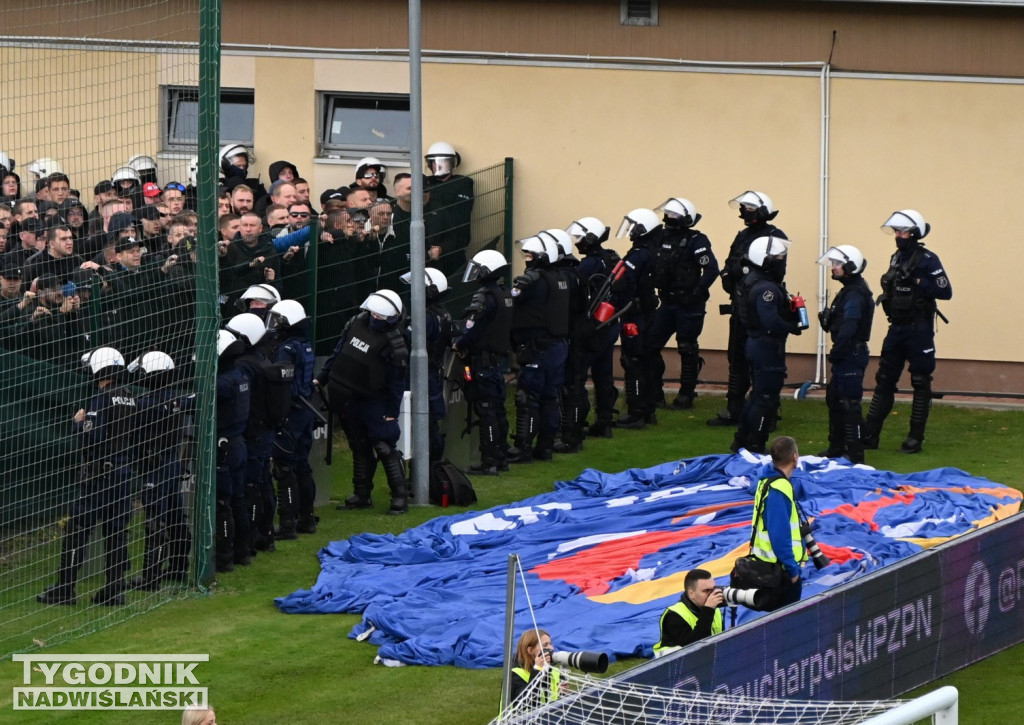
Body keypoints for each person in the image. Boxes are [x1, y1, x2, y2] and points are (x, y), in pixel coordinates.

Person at [37, 347, 138, 606]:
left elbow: (91, 438)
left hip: (99, 475)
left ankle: (65, 589)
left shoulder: (101, 399)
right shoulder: (129, 396)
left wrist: (78, 423)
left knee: (77, 528)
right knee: (116, 530)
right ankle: (115, 590)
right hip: (124, 473)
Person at [862, 210, 953, 454]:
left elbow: (945, 291)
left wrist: (919, 282)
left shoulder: (928, 259)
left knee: (921, 382)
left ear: (914, 233)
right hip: (897, 327)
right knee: (884, 380)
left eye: (903, 232)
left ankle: (915, 438)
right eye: (896, 231)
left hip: (919, 328)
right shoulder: (896, 258)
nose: (899, 236)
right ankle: (870, 434)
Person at [316, 289, 410, 514]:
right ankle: (361, 494)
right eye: (373, 314)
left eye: (380, 316)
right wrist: (321, 378)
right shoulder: (356, 322)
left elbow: (397, 381)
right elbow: (338, 353)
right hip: (351, 397)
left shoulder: (395, 342)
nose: (375, 318)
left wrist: (391, 412)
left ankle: (399, 497)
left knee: (385, 447)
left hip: (376, 401)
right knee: (359, 447)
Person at [709, 191, 787, 427]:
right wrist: (728, 276)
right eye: (743, 208)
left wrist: (744, 274)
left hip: (763, 305)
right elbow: (729, 265)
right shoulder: (742, 236)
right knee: (737, 357)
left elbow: (776, 272)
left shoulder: (775, 236)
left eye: (750, 208)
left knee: (765, 360)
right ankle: (735, 409)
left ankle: (769, 411)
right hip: (740, 304)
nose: (744, 212)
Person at [731, 235, 803, 454]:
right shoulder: (765, 289)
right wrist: (792, 325)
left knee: (757, 395)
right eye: (779, 257)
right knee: (766, 399)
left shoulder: (752, 279)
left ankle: (742, 440)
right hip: (765, 346)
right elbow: (770, 321)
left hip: (757, 343)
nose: (782, 261)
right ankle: (755, 443)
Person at [646, 198, 719, 410]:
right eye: (667, 214)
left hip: (689, 304)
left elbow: (711, 269)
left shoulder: (696, 240)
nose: (669, 218)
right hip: (667, 301)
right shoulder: (659, 237)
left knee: (687, 348)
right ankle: (656, 393)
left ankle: (686, 395)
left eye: (674, 215)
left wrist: (697, 291)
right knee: (650, 345)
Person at [127, 351, 190, 591]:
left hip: (155, 465)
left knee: (156, 519)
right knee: (174, 514)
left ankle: (151, 576)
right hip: (171, 462)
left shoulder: (146, 404)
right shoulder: (174, 399)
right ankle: (178, 566)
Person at [509, 233, 569, 463]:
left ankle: (523, 447)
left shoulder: (532, 281)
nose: (526, 259)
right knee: (550, 397)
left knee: (529, 397)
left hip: (538, 347)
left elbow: (513, 299)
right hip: (558, 346)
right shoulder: (561, 278)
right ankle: (545, 447)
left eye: (529, 255)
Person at [453, 250, 514, 475]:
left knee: (486, 410)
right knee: (498, 410)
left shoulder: (484, 297)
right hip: (497, 361)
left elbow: (473, 328)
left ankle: (489, 461)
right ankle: (501, 456)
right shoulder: (505, 294)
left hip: (483, 361)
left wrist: (459, 344)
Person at [816, 245, 874, 464]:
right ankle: (836, 447)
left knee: (849, 404)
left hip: (850, 353)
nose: (834, 268)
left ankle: (856, 452)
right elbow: (841, 322)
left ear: (850, 266)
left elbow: (850, 325)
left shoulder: (855, 294)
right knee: (835, 400)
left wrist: (837, 349)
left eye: (838, 264)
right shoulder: (848, 291)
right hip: (846, 353)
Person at [268, 299, 319, 538]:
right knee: (302, 466)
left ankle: (288, 524)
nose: (275, 324)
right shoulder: (305, 345)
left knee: (285, 468)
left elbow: (281, 383)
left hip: (292, 413)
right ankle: (307, 519)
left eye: (279, 319)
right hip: (305, 412)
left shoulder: (286, 349)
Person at [567, 217, 620, 439]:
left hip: (589, 327)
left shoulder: (589, 264)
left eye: (579, 237)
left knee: (577, 376)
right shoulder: (611, 258)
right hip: (608, 324)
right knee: (603, 375)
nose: (577, 242)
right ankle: (604, 421)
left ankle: (576, 424)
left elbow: (576, 294)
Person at [611, 208, 660, 429]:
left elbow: (623, 283)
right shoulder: (653, 250)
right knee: (647, 359)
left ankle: (636, 411)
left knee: (633, 361)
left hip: (634, 314)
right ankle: (648, 408)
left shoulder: (638, 254)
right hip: (647, 311)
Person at [401, 267, 455, 465]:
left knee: (422, 420)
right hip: (434, 371)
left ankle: (427, 468)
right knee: (430, 418)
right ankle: (432, 465)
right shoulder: (444, 314)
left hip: (420, 374)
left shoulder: (425, 318)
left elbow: (407, 340)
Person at [748, 435, 807, 612]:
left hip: (768, 567)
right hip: (780, 572)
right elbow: (779, 537)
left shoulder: (767, 480)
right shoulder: (779, 489)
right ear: (795, 457)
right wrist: (793, 571)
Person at [214, 329, 250, 572]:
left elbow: (200, 400)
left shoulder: (223, 383)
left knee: (223, 503)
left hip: (225, 448)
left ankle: (225, 557)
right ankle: (242, 551)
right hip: (238, 444)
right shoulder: (241, 376)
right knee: (238, 500)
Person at [425, 142, 474, 277]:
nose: (438, 165)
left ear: (452, 164)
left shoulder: (462, 184)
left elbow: (461, 221)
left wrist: (443, 247)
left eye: (443, 161)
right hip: (426, 248)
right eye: (434, 162)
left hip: (452, 249)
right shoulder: (426, 183)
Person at [653, 568, 724, 657]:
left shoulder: (714, 609)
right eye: (706, 591)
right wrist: (708, 610)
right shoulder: (674, 615)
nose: (712, 594)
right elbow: (694, 647)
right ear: (691, 594)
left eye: (713, 589)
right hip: (674, 666)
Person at [507, 629, 561, 709]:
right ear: (530, 650)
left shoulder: (554, 671)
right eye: (545, 645)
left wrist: (562, 694)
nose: (551, 648)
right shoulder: (514, 674)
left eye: (550, 644)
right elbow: (526, 705)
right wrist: (537, 669)